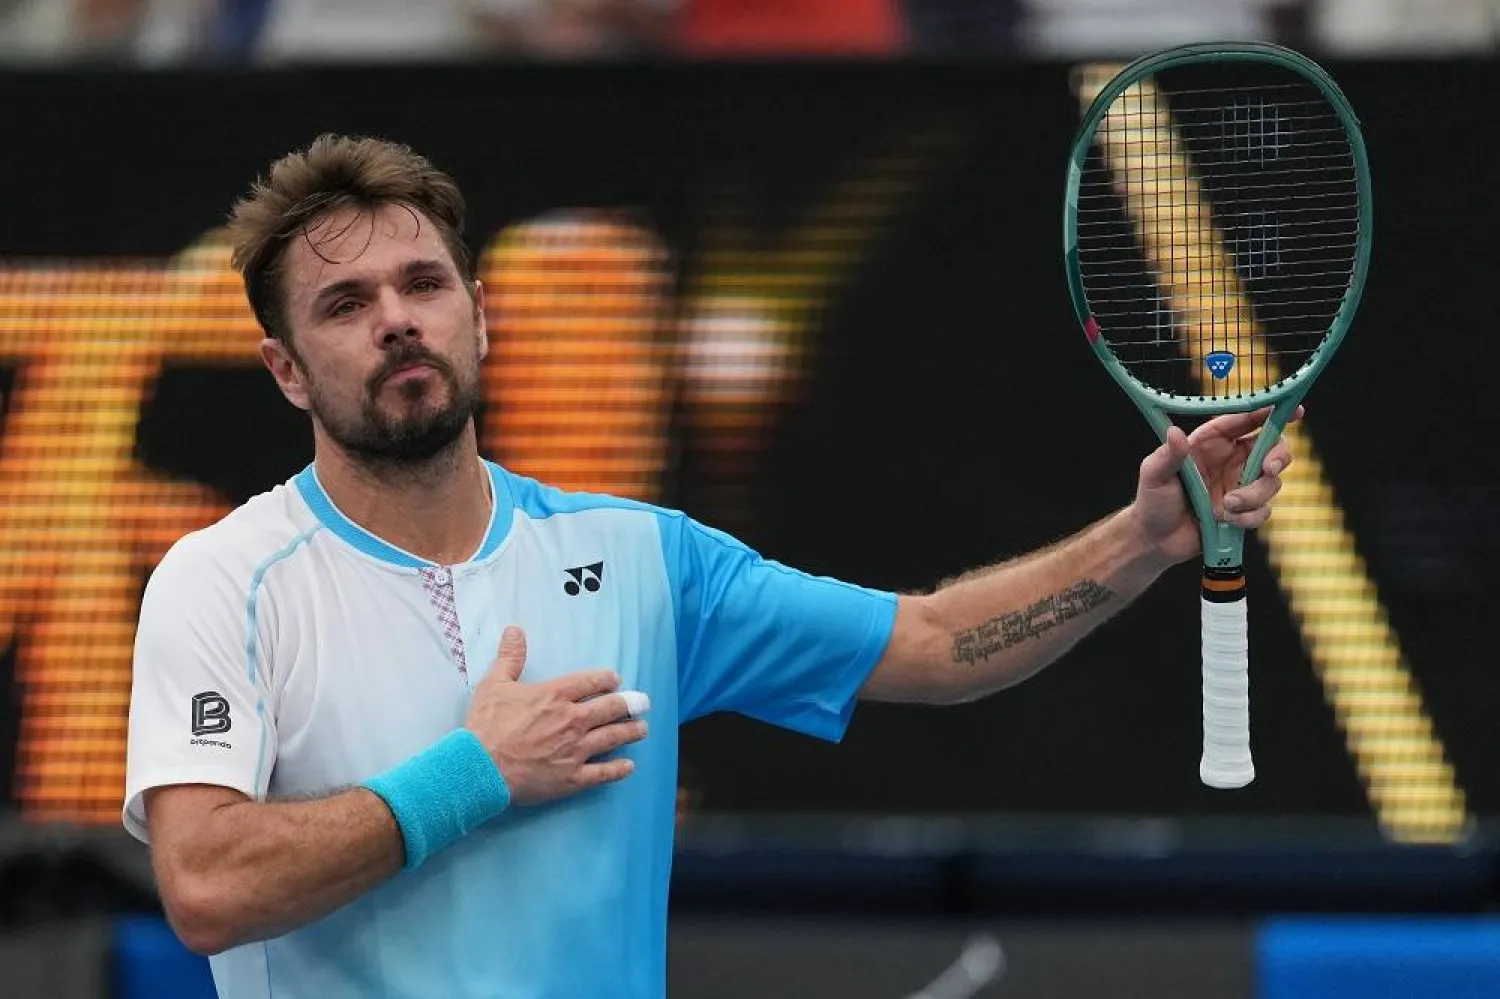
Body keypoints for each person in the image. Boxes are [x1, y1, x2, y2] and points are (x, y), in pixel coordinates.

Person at [122, 133, 1291, 999]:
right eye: (345, 303)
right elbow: (208, 888)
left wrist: (1141, 540)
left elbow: (936, 645)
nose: (396, 319)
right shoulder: (225, 581)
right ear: (285, 369)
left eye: (423, 285)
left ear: (478, 315)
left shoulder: (641, 558)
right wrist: (476, 774)